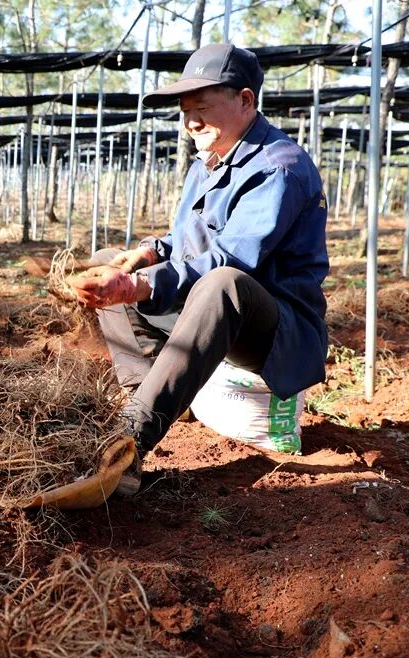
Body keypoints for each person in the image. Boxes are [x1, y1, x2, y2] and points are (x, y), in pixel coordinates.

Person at [67, 44, 329, 478]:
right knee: (110, 259)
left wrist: (143, 286)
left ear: (246, 101)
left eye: (202, 108)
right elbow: (191, 239)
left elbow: (234, 258)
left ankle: (129, 442)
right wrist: (150, 252)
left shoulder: (278, 167)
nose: (191, 122)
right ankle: (148, 393)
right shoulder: (208, 163)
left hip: (275, 329)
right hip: (208, 311)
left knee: (222, 282)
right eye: (185, 111)